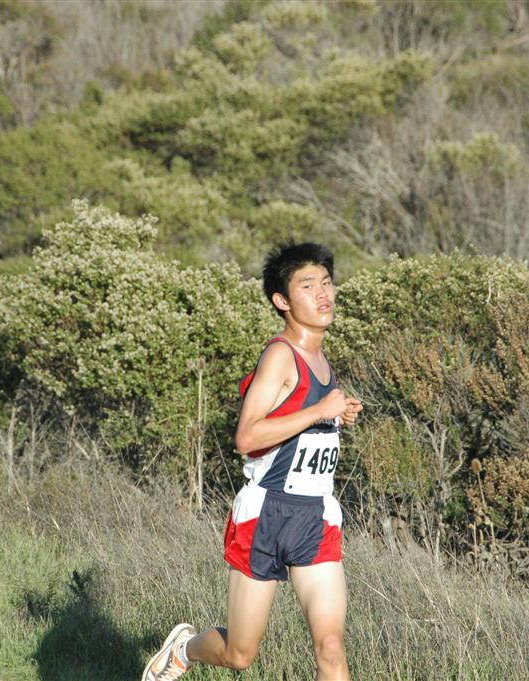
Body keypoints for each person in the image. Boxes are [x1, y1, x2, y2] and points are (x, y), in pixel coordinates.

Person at [142, 242, 363, 681]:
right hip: (267, 515)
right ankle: (184, 649)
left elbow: (298, 424)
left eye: (326, 283)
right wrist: (321, 411)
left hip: (316, 516)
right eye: (307, 286)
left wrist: (335, 416)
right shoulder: (280, 355)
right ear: (282, 301)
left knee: (331, 646)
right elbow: (247, 437)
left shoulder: (322, 359)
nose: (323, 294)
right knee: (239, 654)